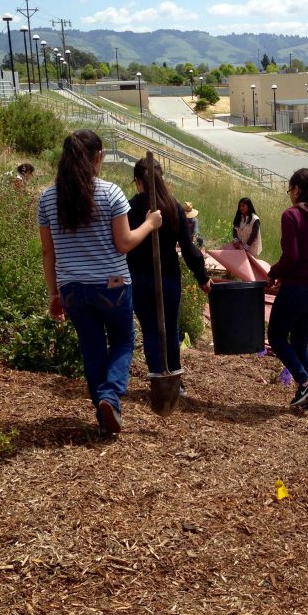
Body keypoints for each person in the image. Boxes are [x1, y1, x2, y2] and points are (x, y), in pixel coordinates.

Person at [38, 130, 162, 441]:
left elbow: (48, 251)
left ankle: (104, 415)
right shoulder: (111, 193)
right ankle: (110, 396)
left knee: (92, 349)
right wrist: (149, 223)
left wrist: (54, 293)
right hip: (112, 284)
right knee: (122, 341)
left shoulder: (48, 198)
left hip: (72, 288)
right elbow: (124, 243)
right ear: (97, 157)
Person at [128, 158, 212, 390]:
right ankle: (175, 381)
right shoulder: (173, 206)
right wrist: (202, 277)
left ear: (137, 181)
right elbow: (188, 248)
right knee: (169, 328)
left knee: (151, 330)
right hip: (168, 279)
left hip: (141, 279)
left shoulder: (131, 207)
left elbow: (123, 243)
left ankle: (160, 379)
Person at [266, 168, 308, 413]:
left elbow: (292, 256)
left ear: (296, 189)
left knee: (276, 337)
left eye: (289, 189)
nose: (289, 194)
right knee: (301, 341)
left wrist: (274, 273)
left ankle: (305, 383)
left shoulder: (291, 215)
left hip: (298, 287)